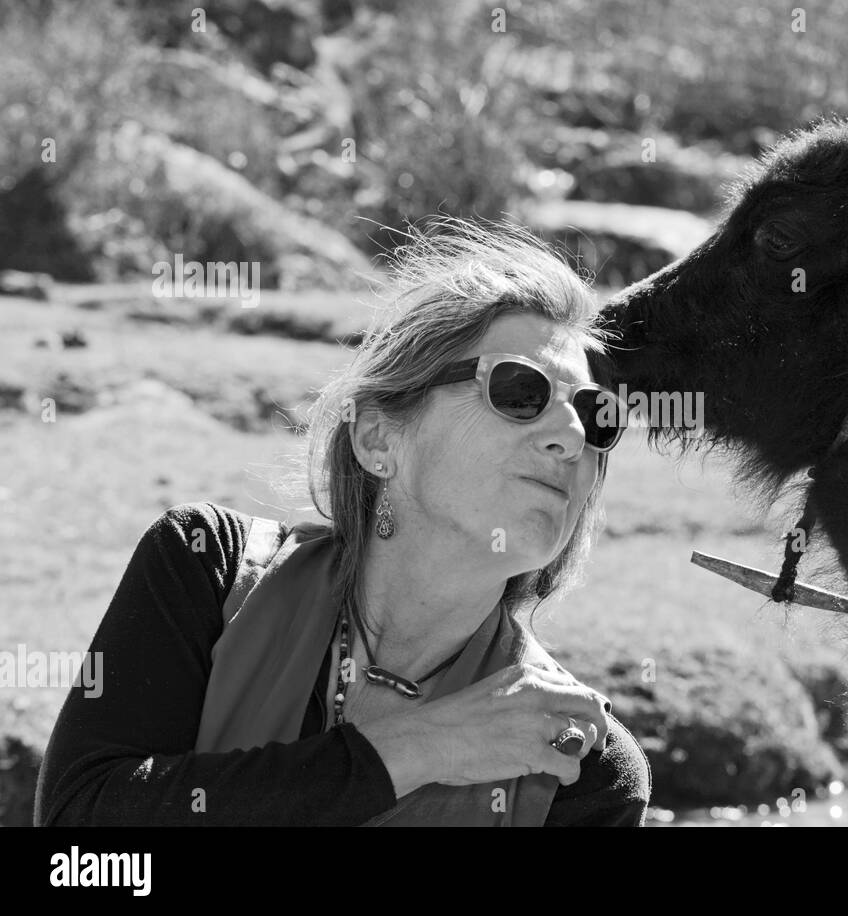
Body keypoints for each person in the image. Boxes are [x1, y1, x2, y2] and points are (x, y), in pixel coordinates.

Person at [34, 221, 651, 826]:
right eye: (522, 390)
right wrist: (420, 749)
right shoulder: (209, 569)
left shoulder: (577, 764)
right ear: (379, 437)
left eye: (596, 417)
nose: (573, 438)